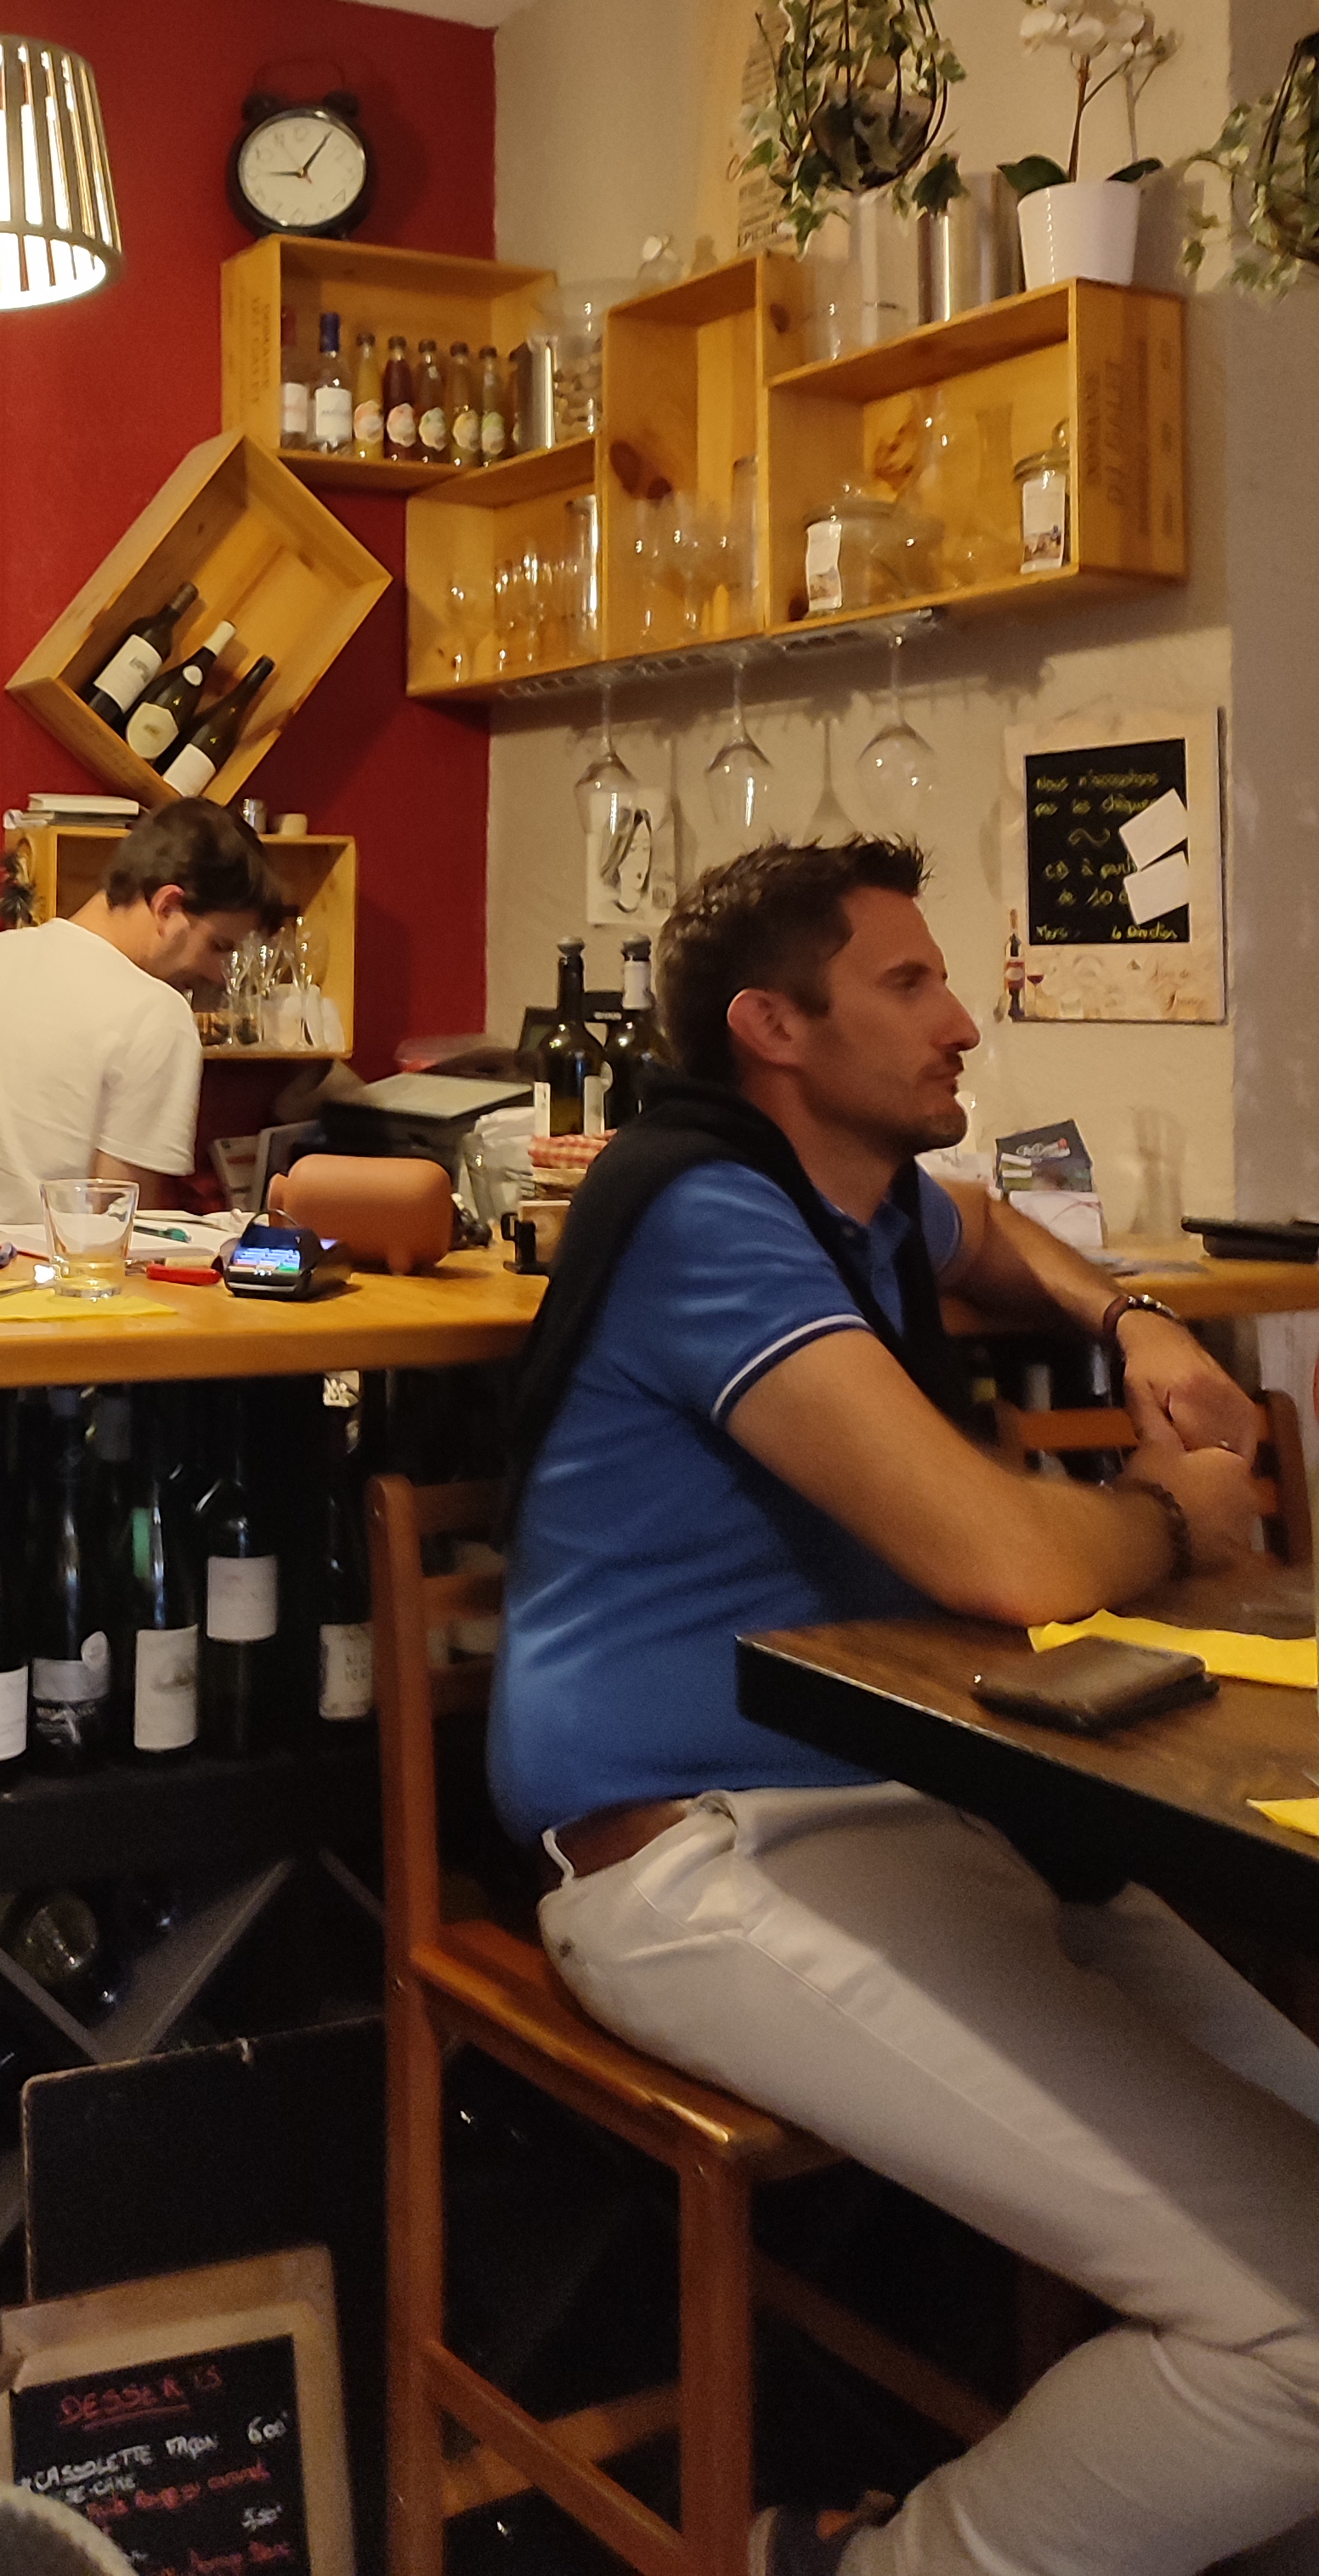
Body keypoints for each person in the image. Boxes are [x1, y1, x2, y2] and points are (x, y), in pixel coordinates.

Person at [487, 836, 1319, 2576]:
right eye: (910, 982)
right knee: (1303, 2330)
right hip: (702, 1850)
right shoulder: (707, 1211)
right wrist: (1179, 1515)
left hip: (928, 1805)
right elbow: (1003, 1559)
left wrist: (1140, 1320)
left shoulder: (853, 1200)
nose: (963, 1023)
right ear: (775, 1027)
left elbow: (990, 1229)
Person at [0, 802, 281, 1240]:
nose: (219, 974)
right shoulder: (155, 1012)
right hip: (18, 1284)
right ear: (167, 906)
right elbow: (115, 1228)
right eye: (218, 946)